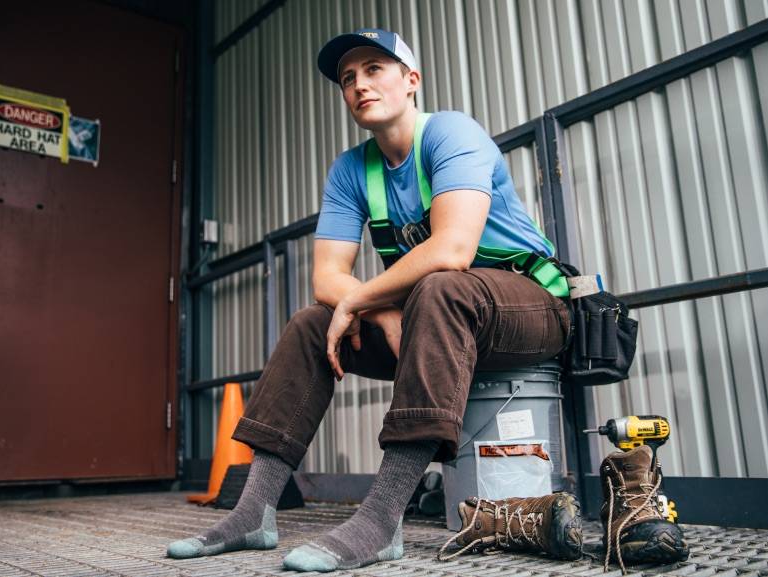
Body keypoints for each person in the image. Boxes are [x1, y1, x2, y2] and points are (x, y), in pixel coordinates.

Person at [167, 28, 571, 572]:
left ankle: (382, 519)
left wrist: (358, 301)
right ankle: (253, 511)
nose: (359, 85)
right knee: (315, 322)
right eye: (347, 79)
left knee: (439, 285)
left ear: (411, 81)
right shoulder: (351, 169)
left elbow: (452, 250)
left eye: (374, 69)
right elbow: (327, 278)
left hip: (531, 309)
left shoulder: (452, 134)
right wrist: (373, 307)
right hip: (436, 322)